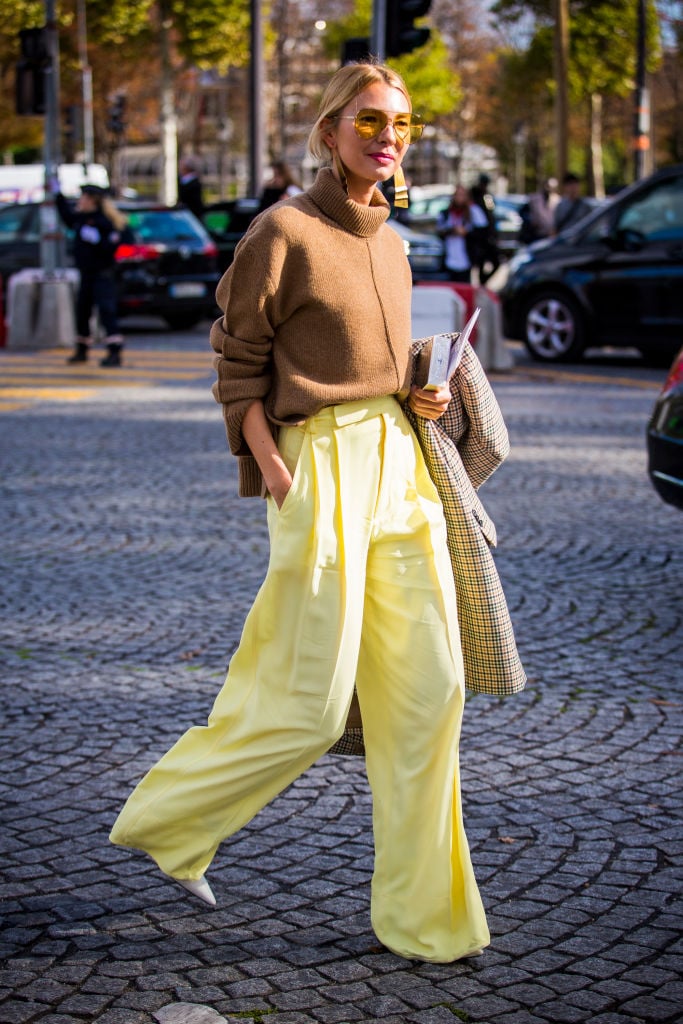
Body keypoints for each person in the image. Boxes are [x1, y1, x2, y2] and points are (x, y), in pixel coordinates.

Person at [110, 60, 491, 964]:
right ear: (328, 132)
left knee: (431, 693)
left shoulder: (394, 244)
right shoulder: (281, 230)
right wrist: (274, 467)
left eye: (399, 125)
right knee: (311, 701)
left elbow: (379, 364)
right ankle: (167, 821)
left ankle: (427, 920)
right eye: (368, 122)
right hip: (319, 464)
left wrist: (423, 397)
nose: (385, 139)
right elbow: (236, 357)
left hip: (401, 466)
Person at [56, 184, 130, 367]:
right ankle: (81, 350)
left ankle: (115, 352)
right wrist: (58, 194)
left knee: (107, 312)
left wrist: (99, 241)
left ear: (92, 200)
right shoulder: (81, 218)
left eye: (83, 198)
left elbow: (113, 246)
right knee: (82, 312)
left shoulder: (104, 221)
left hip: (102, 274)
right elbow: (66, 216)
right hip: (86, 274)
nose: (80, 201)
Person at [435, 183, 489, 283]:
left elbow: (482, 232)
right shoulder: (446, 213)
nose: (459, 198)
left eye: (462, 195)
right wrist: (451, 231)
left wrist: (466, 233)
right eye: (457, 195)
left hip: (466, 259)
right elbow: (439, 231)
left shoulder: (473, 211)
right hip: (449, 259)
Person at [469, 173, 500, 284]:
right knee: (480, 263)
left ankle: (483, 282)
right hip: (479, 237)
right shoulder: (474, 196)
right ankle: (481, 282)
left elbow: (491, 216)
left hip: (487, 236)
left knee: (495, 262)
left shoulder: (487, 197)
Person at [519, 177, 559, 244]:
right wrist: (531, 221)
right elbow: (523, 213)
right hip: (535, 235)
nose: (549, 189)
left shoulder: (558, 200)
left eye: (552, 187)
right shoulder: (534, 199)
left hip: (550, 236)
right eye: (548, 186)